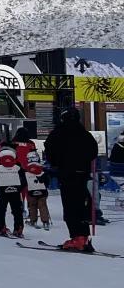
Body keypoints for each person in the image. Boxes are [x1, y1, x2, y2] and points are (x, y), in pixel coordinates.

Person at [43, 108, 99, 252]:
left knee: (70, 206)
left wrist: (56, 163)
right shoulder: (85, 134)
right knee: (81, 204)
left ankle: (77, 238)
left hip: (67, 173)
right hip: (83, 173)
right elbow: (93, 152)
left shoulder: (59, 133)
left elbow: (49, 149)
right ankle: (84, 237)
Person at [0, 144, 26, 238]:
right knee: (17, 209)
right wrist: (20, 188)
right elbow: (24, 177)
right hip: (15, 190)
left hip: (3, 190)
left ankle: (0, 227)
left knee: (0, 208)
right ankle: (18, 228)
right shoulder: (17, 164)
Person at [26, 149, 51, 230]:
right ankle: (45, 222)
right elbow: (47, 180)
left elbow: (23, 181)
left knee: (32, 206)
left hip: (31, 191)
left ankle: (33, 221)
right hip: (42, 191)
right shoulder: (43, 169)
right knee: (42, 205)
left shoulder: (26, 170)